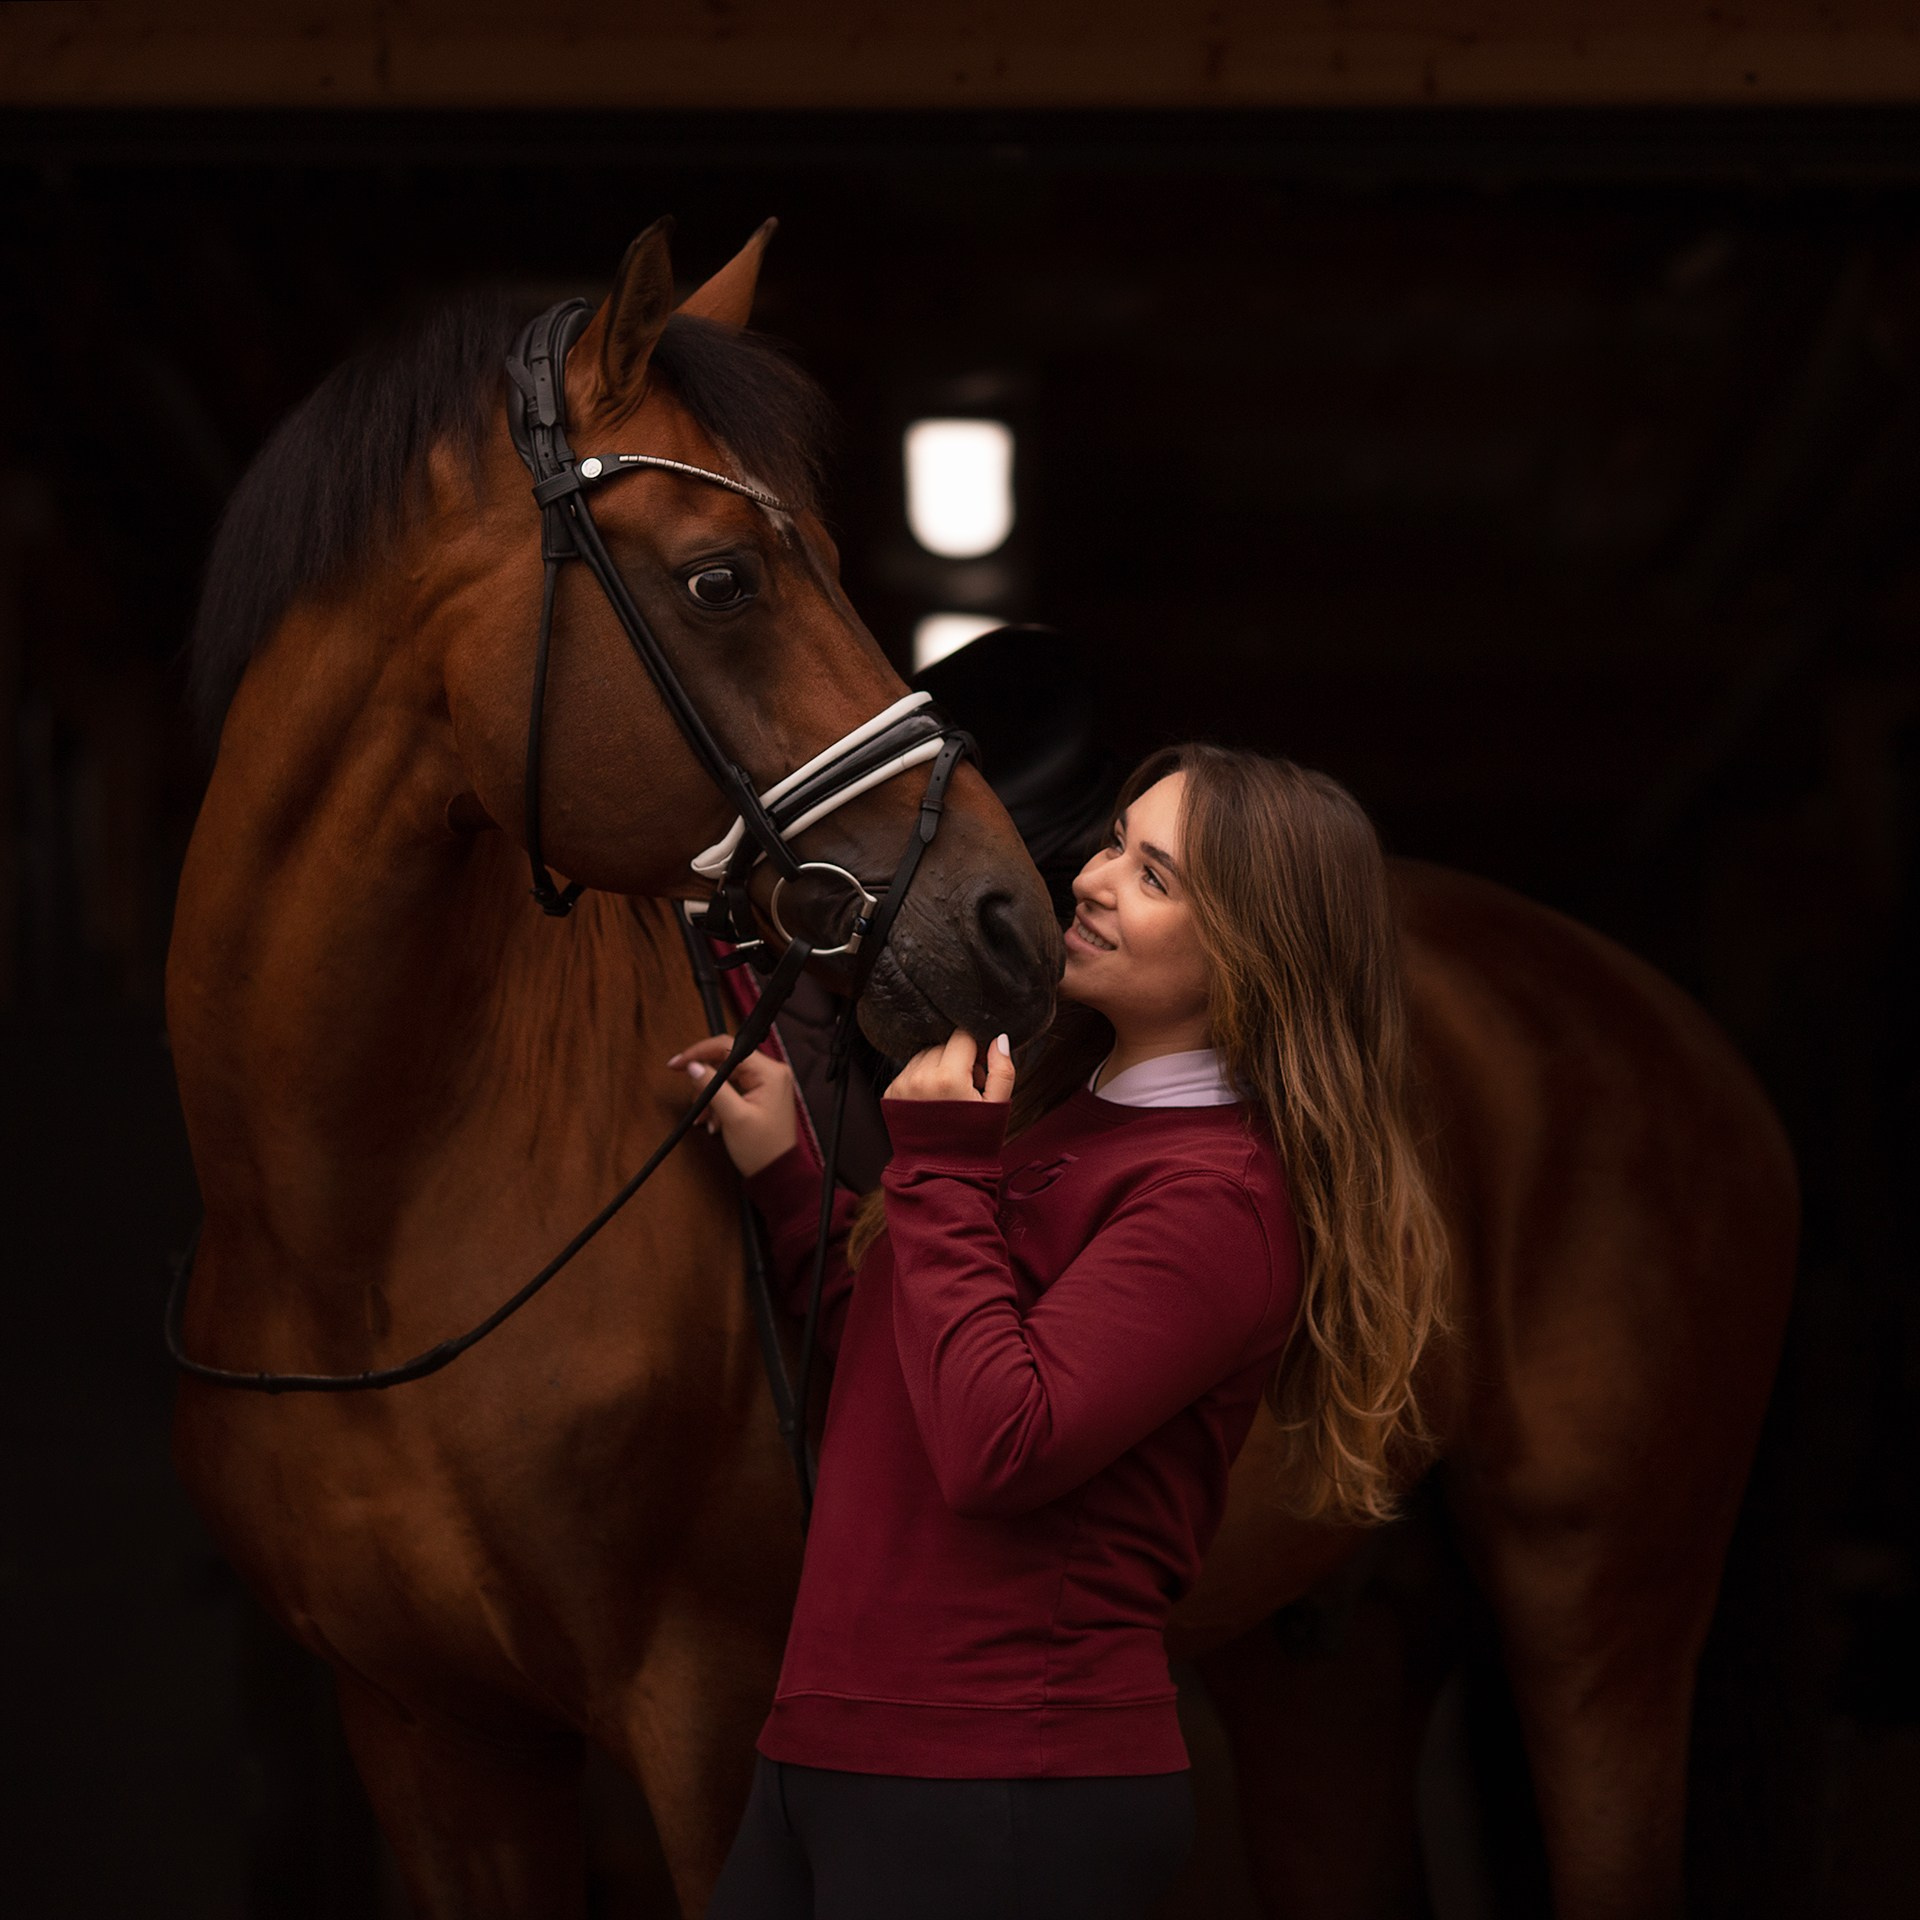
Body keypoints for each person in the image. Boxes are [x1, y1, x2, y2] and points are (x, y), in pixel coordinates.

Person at [670, 742, 1450, 1920]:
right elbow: (914, 1368)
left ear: (1257, 950)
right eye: (1111, 845)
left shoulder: (1218, 1198)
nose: (1087, 879)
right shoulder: (1057, 1121)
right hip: (836, 1749)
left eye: (1154, 874)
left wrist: (936, 1167)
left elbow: (1002, 1442)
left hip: (998, 1786)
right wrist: (792, 1171)